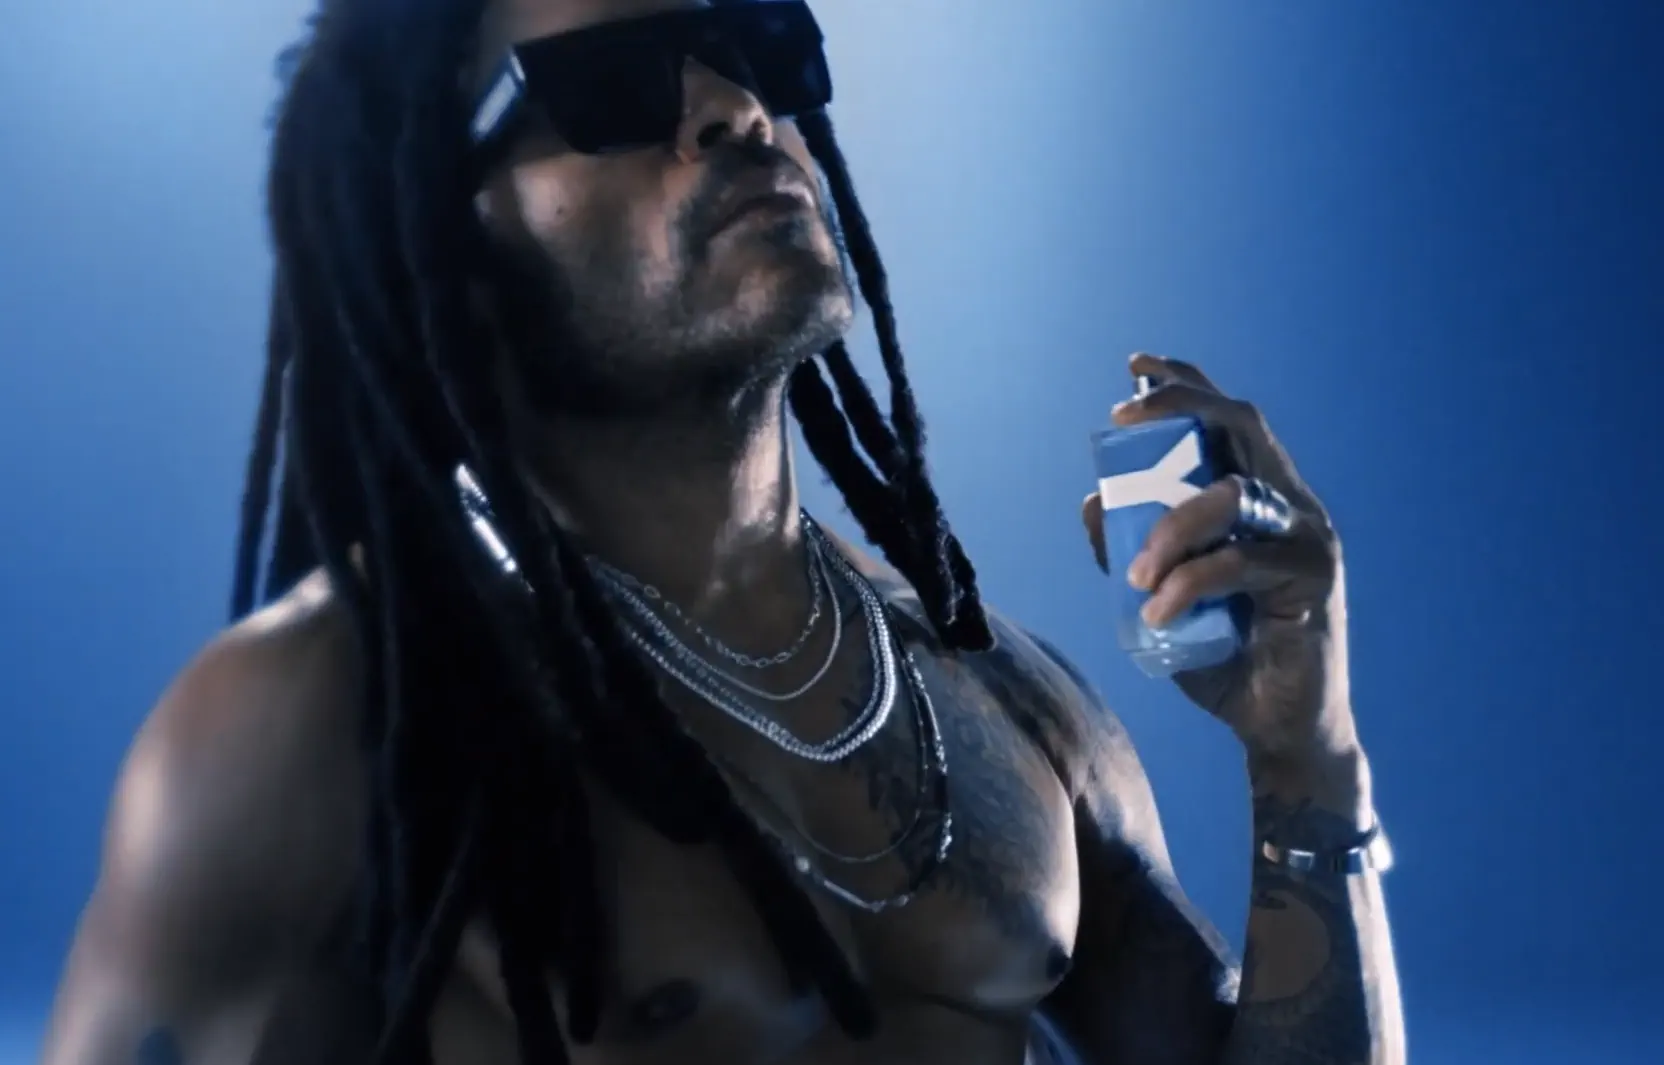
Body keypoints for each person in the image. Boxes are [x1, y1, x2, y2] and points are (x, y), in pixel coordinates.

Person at [39, 0, 1405, 1063]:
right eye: (616, 85)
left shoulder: (1005, 701)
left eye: (753, 43)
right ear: (443, 236)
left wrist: (1307, 756)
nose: (733, 108)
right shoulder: (309, 727)